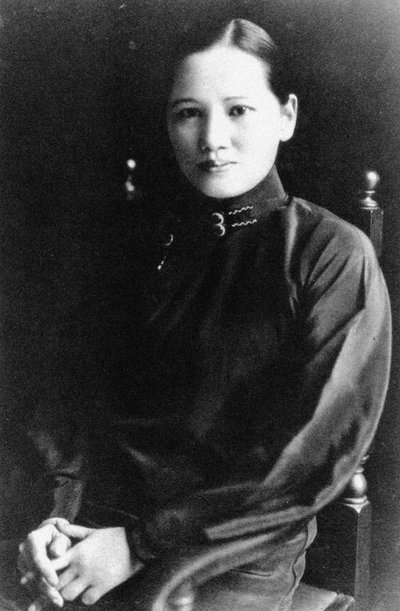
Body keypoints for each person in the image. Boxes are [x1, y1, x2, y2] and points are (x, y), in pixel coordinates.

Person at [9, 16, 391, 611]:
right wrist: (56, 520)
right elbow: (71, 402)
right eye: (188, 113)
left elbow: (309, 458)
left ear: (285, 116)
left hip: (237, 544)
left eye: (238, 110)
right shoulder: (138, 245)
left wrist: (140, 545)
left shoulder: (332, 254)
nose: (211, 138)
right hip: (103, 524)